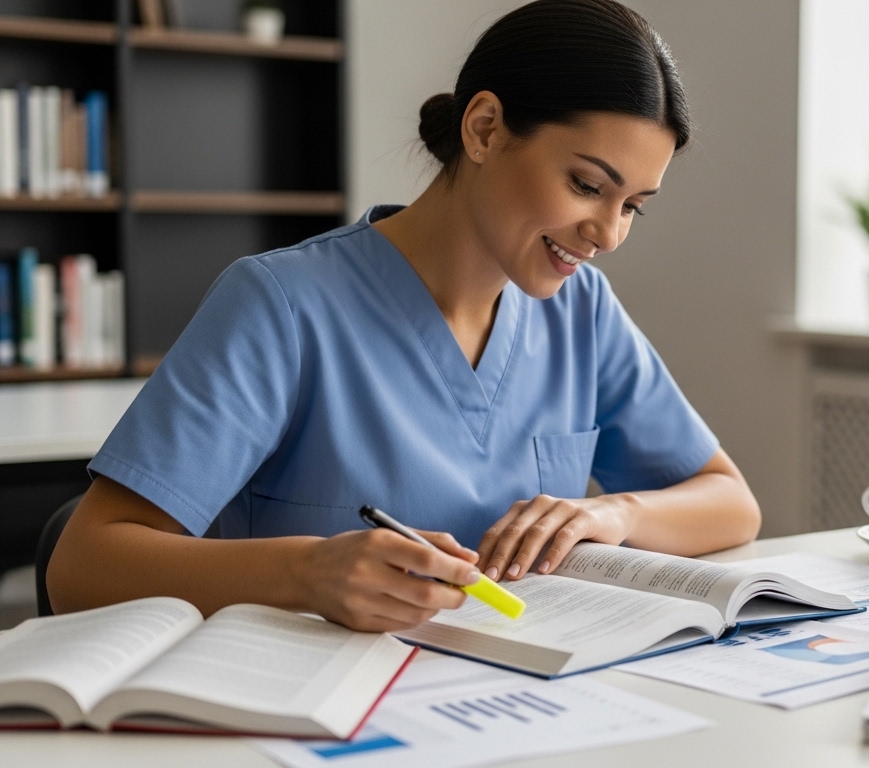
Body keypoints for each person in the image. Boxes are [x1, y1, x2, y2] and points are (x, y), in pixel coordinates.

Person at [47, 0, 761, 632]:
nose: (607, 234)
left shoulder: (582, 312)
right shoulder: (283, 304)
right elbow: (83, 564)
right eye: (587, 185)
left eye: (632, 205)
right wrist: (306, 575)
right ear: (483, 128)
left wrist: (614, 515)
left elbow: (731, 503)